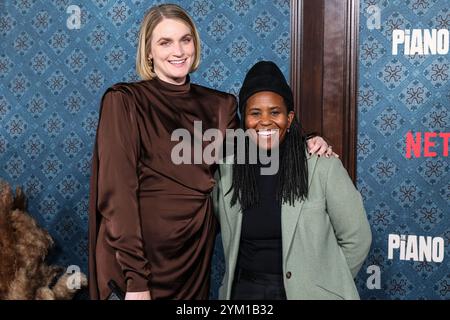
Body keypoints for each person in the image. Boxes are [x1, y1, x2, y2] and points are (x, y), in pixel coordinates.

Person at [88, 4, 332, 300]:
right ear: (149, 51)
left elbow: (256, 144)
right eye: (165, 42)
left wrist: (306, 138)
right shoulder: (124, 101)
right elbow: (116, 196)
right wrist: (136, 280)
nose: (178, 51)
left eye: (185, 39)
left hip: (191, 259)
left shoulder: (220, 106)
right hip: (137, 264)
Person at [213, 61, 372, 300]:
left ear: (289, 118)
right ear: (244, 120)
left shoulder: (321, 165)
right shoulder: (227, 171)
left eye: (275, 112)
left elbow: (357, 238)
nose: (265, 121)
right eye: (255, 113)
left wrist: (326, 285)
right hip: (244, 292)